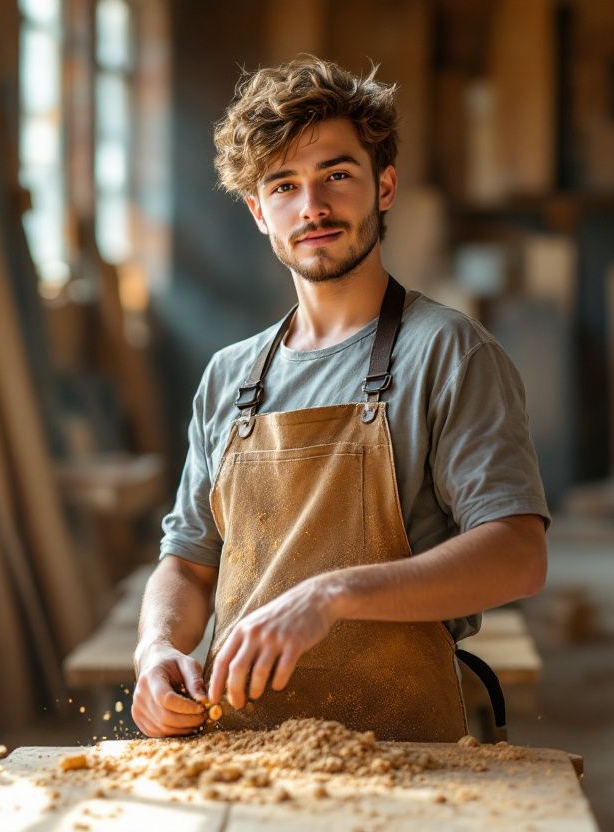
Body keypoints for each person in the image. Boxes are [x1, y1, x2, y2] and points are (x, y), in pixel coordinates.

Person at [132, 55, 550, 742]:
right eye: (284, 185)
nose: (313, 208)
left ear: (384, 187)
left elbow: (518, 555)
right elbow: (185, 563)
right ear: (257, 212)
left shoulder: (449, 353)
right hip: (239, 746)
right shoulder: (229, 376)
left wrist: (331, 595)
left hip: (404, 751)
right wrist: (154, 651)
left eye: (337, 175)